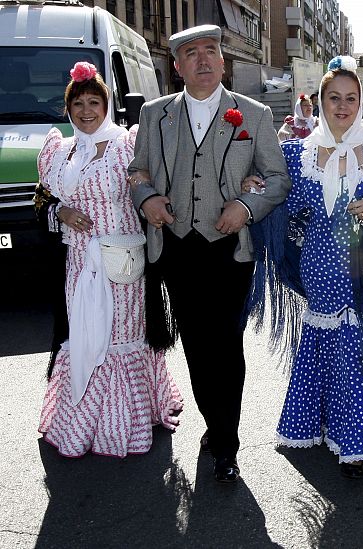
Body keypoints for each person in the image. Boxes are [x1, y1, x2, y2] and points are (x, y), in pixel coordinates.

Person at [246, 55, 363, 480]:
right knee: (330, 349)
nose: (342, 106)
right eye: (333, 98)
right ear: (321, 102)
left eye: (351, 98)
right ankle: (334, 429)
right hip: (321, 268)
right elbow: (280, 203)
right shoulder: (296, 154)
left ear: (361, 102)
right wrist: (254, 186)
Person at [127, 25, 291, 483]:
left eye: (211, 52)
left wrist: (246, 205)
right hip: (177, 248)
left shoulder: (252, 115)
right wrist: (147, 199)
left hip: (228, 250)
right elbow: (136, 170)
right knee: (197, 347)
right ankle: (214, 424)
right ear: (176, 67)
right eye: (191, 53)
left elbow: (276, 179)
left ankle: (226, 442)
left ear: (224, 62)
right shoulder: (155, 113)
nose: (202, 60)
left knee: (226, 344)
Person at [37, 62, 183, 458]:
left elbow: (156, 187)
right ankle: (80, 420)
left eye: (94, 102)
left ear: (107, 104)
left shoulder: (128, 143)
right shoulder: (59, 153)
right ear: (68, 109)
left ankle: (125, 422)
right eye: (79, 104)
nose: (87, 111)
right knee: (85, 334)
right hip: (80, 263)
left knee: (118, 337)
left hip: (122, 264)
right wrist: (60, 213)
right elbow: (42, 201)